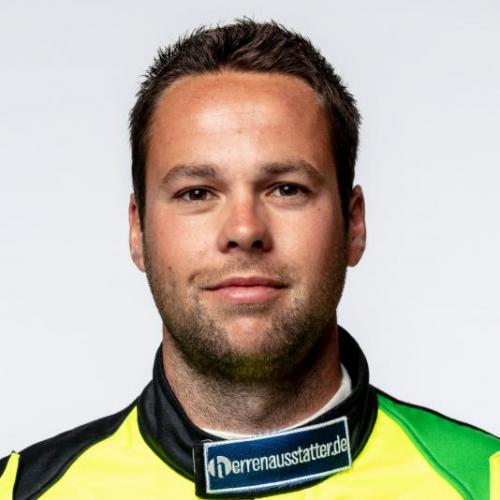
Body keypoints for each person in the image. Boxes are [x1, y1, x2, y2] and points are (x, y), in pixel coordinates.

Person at [0, 19, 498, 500]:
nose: (244, 230)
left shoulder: (485, 482)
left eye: (287, 189)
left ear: (354, 224)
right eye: (197, 192)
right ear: (138, 230)